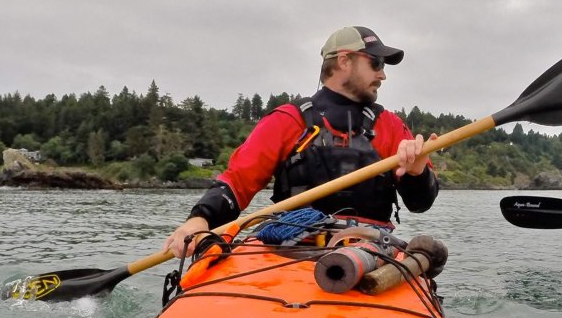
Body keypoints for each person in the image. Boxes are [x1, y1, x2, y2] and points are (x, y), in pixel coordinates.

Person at [164, 26, 439, 258]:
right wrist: (200, 219)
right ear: (344, 60)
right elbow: (236, 183)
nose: (382, 74)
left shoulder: (390, 126)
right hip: (289, 246)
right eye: (375, 63)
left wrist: (417, 172)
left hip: (371, 249)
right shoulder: (288, 120)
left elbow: (420, 203)